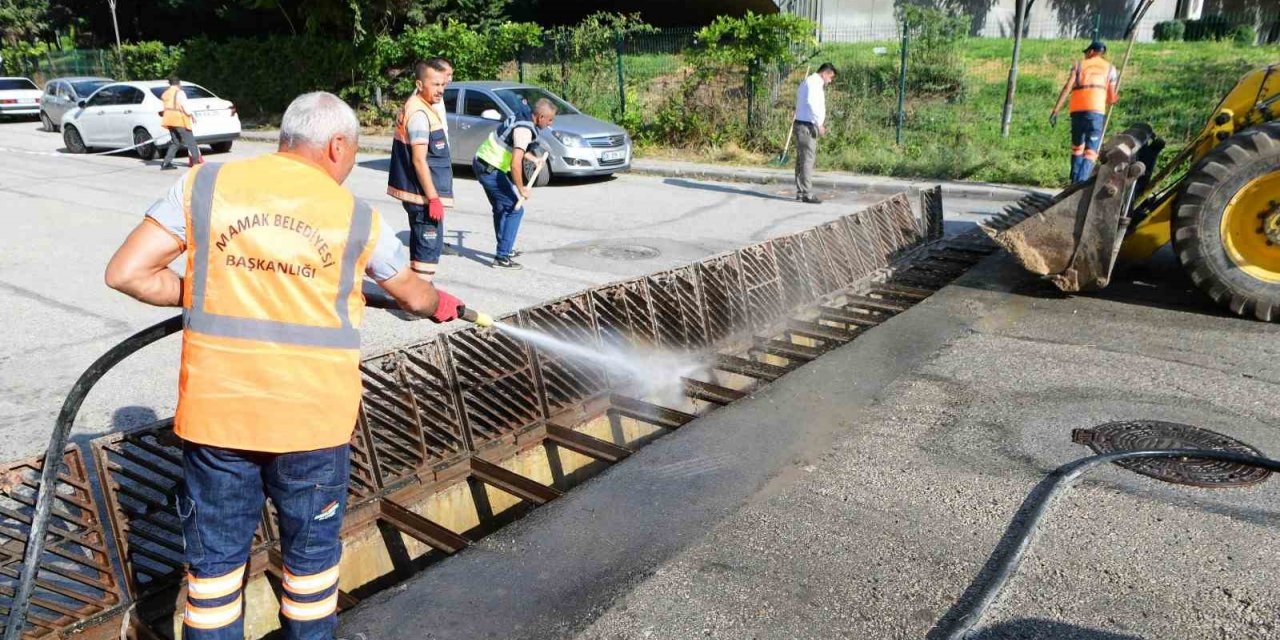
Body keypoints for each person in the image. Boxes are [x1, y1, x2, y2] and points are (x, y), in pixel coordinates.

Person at [103, 91, 468, 640]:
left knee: (214, 578)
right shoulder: (355, 216)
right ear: (337, 146)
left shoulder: (205, 184)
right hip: (312, 424)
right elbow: (414, 295)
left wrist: (204, 292)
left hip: (218, 419)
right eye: (350, 155)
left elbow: (126, 273)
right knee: (311, 571)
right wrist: (439, 303)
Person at [387, 59, 453, 280]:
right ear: (419, 84)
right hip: (422, 197)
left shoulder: (420, 106)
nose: (441, 89)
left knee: (422, 249)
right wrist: (433, 198)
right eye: (435, 84)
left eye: (442, 84)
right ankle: (419, 295)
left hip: (420, 195)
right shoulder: (419, 114)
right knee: (427, 250)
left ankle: (418, 290)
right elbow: (418, 160)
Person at [472, 98, 556, 270]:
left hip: (483, 162)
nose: (550, 123)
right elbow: (515, 163)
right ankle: (502, 256)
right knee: (515, 209)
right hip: (491, 169)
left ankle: (505, 248)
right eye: (549, 120)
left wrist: (534, 159)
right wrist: (521, 188)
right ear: (540, 117)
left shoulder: (522, 116)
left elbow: (516, 146)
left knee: (501, 208)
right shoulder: (524, 130)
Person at [1050, 40, 1119, 183]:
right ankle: (1079, 184)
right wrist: (1114, 98)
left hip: (1077, 112)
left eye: (1086, 52)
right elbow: (1111, 98)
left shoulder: (1078, 65)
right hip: (1095, 113)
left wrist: (1056, 110)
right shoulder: (1110, 69)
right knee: (1091, 151)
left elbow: (1067, 87)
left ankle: (1073, 183)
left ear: (1092, 52)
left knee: (1077, 148)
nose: (1085, 55)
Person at [793, 62, 837, 204]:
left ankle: (801, 191)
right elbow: (811, 103)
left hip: (803, 124)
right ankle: (806, 193)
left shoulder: (808, 82)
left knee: (802, 159)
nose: (830, 81)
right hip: (807, 126)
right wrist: (819, 123)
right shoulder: (813, 83)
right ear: (825, 73)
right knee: (807, 159)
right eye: (830, 77)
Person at [160, 75, 202, 170]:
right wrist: (191, 115)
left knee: (176, 142)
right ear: (178, 83)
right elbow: (185, 106)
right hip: (178, 119)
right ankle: (196, 162)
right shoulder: (180, 92)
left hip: (168, 119)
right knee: (191, 142)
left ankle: (166, 163)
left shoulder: (166, 93)